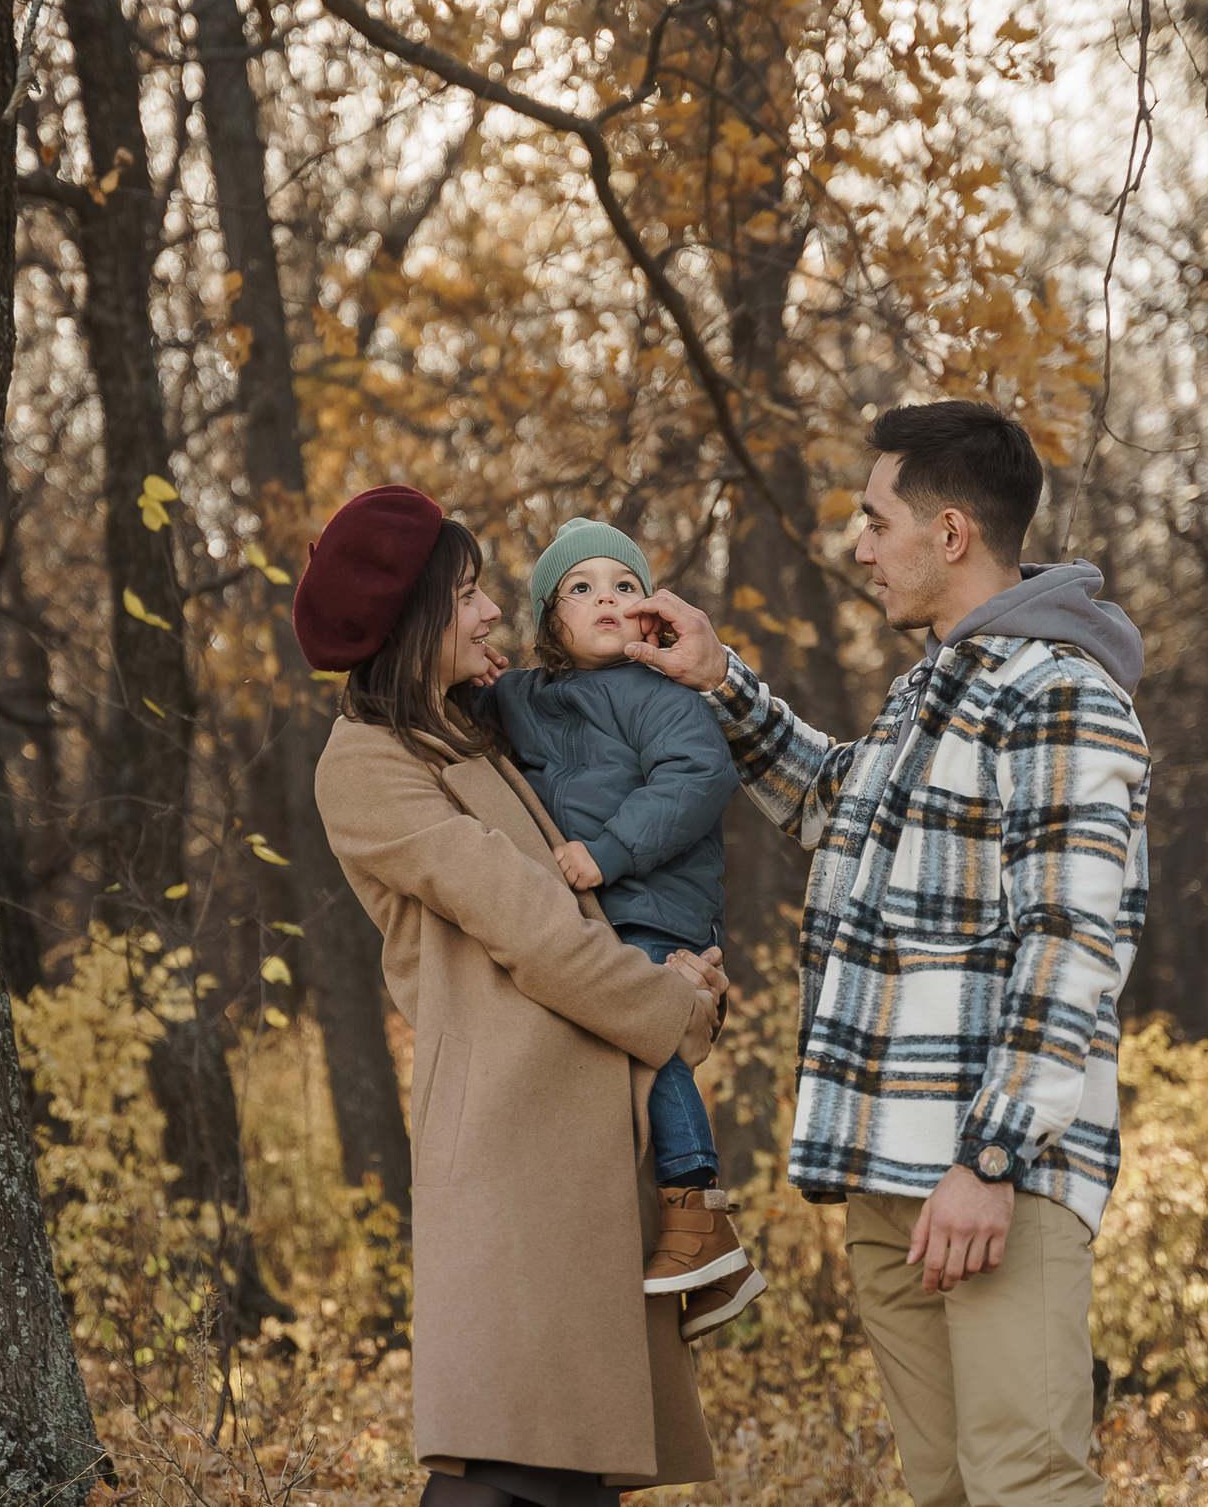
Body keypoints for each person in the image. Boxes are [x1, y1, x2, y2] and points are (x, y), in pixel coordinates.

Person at [622, 401, 1150, 1507]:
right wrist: (720, 680)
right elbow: (828, 801)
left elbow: (1070, 950)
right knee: (947, 1490)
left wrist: (990, 1163)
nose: (857, 546)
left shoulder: (1060, 697)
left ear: (949, 533)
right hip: (888, 1177)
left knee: (1029, 1488)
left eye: (874, 521)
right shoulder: (929, 696)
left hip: (991, 1185)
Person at [296, 484, 730, 1507]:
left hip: (584, 1127)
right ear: (412, 621)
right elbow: (533, 929)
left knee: (565, 1465)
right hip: (509, 1147)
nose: (494, 611)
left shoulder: (474, 733)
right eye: (469, 593)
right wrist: (675, 1010)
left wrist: (679, 954)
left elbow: (635, 813)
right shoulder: (366, 764)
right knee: (509, 1462)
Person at [470, 518, 764, 1341]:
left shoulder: (660, 695)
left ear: (650, 615)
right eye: (582, 586)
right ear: (549, 619)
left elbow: (699, 774)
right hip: (595, 910)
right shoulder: (521, 697)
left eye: (625, 586)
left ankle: (697, 1206)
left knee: (647, 1030)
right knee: (603, 1056)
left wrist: (610, 850)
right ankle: (707, 1267)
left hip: (654, 900)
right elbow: (463, 715)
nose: (607, 597)